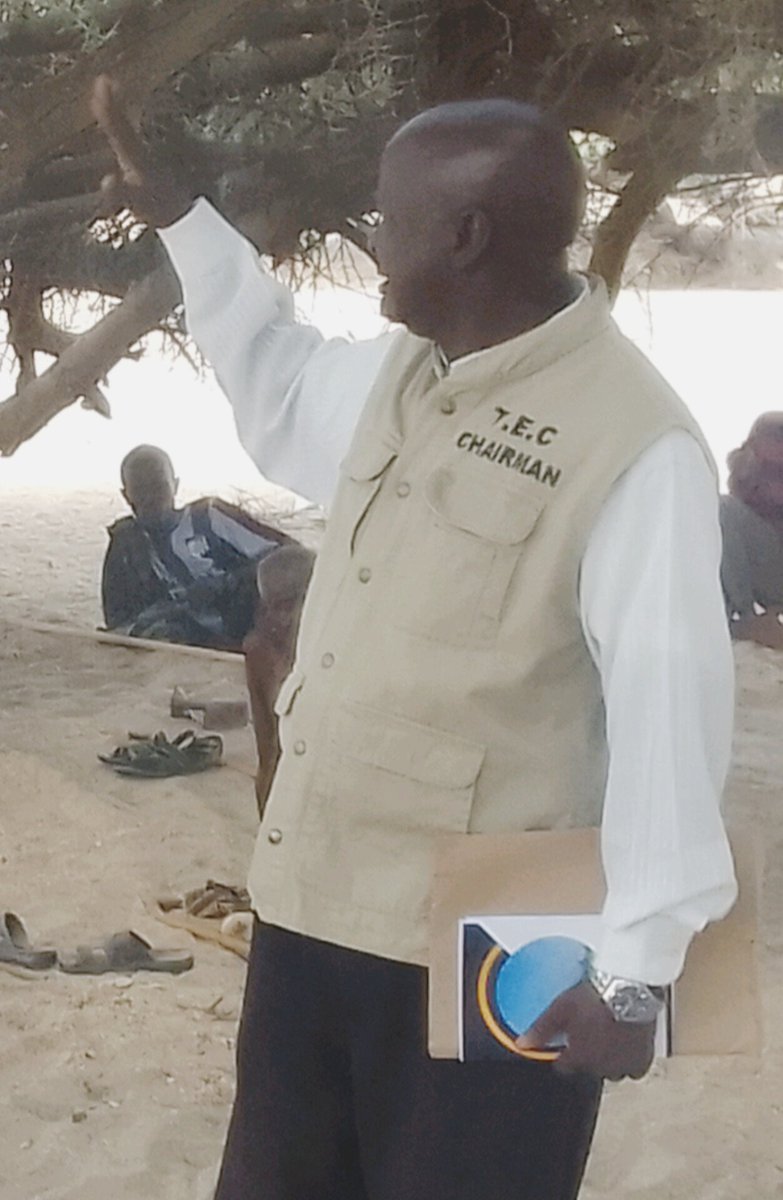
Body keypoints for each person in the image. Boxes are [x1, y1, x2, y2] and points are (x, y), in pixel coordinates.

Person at [92, 75, 738, 1200]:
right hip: (319, 886)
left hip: (507, 912)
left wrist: (639, 973)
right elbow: (280, 379)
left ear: (467, 235)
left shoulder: (636, 446)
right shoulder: (409, 368)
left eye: (390, 222)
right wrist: (186, 224)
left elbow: (671, 711)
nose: (376, 246)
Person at [102, 443, 291, 650]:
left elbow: (290, 554)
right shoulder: (127, 545)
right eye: (140, 490)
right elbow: (118, 624)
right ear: (126, 495)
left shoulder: (209, 517)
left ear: (175, 485)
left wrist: (226, 582)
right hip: (189, 638)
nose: (150, 498)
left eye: (158, 486)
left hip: (248, 620)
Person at [719, 412, 783, 648]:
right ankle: (739, 617)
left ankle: (746, 618)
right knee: (721, 513)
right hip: (760, 570)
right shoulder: (748, 470)